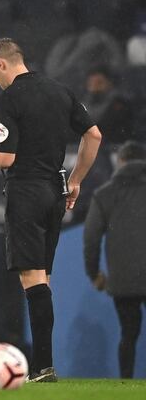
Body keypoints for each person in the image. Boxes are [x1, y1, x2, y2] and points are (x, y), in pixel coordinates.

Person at [0, 37, 102, 382]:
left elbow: (7, 157)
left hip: (26, 191)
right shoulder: (60, 91)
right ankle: (43, 365)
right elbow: (94, 135)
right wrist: (75, 180)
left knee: (32, 279)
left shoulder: (10, 97)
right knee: (42, 277)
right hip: (54, 192)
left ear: (2, 64)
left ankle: (43, 367)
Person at [83, 140, 146, 379]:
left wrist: (94, 274)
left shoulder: (105, 194)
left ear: (120, 161)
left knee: (128, 334)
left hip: (124, 279)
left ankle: (126, 383)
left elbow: (91, 238)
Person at [80, 66, 133, 146]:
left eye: (99, 83)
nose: (94, 87)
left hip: (113, 147)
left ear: (110, 83)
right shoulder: (82, 103)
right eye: (91, 84)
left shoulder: (119, 104)